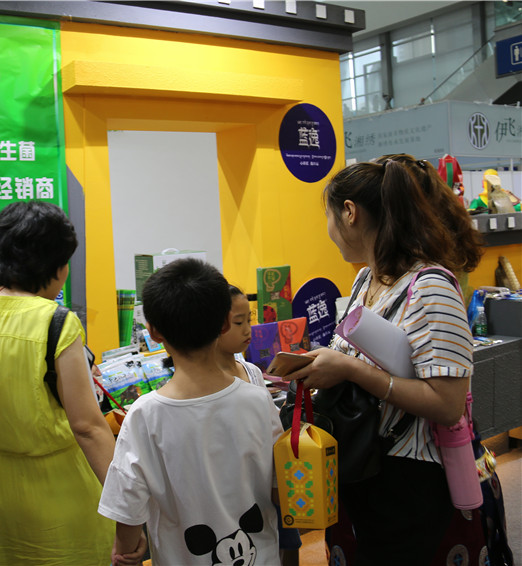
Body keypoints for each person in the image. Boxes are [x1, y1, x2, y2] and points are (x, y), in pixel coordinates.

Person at [282, 153, 484, 565]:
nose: (329, 230)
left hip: (409, 475)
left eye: (328, 216)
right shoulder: (365, 279)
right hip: (363, 463)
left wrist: (350, 369)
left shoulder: (430, 287)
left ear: (350, 212)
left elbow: (448, 405)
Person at [0, 201, 139, 565]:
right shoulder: (55, 321)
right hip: (62, 493)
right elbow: (88, 428)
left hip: (0, 488)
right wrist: (128, 514)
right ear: (55, 265)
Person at [99, 258, 282, 566]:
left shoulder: (145, 415)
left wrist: (126, 550)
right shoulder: (258, 400)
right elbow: (279, 488)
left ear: (153, 332)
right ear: (224, 324)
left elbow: (127, 505)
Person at [215, 284, 303, 566]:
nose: (247, 330)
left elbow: (270, 426)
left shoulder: (251, 371)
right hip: (239, 489)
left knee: (288, 542)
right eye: (238, 323)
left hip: (271, 481)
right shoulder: (209, 383)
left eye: (249, 320)